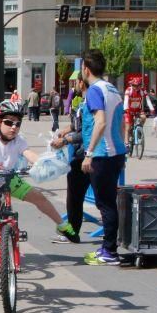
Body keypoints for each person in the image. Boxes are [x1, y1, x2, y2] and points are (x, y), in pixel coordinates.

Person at [0, 101, 79, 293]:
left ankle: (62, 226)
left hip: (6, 179)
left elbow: (29, 154)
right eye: (9, 123)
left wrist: (43, 163)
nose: (14, 127)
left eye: (18, 124)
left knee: (38, 197)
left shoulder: (18, 141)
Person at [79, 49, 127, 265]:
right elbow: (122, 123)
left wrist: (89, 153)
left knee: (105, 203)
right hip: (115, 152)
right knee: (108, 202)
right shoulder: (112, 89)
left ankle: (109, 251)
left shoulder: (94, 91)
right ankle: (109, 248)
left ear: (85, 69)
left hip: (103, 154)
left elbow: (101, 121)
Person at [50, 72, 90, 242]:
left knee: (75, 195)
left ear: (82, 82)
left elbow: (87, 132)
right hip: (85, 155)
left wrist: (65, 140)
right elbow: (77, 125)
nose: (74, 84)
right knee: (80, 196)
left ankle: (73, 231)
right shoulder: (84, 101)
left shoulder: (91, 102)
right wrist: (64, 131)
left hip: (86, 156)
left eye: (76, 81)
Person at [122, 81, 148, 147]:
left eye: (138, 85)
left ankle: (140, 129)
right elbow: (126, 100)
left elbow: (147, 100)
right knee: (127, 128)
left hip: (137, 110)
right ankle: (126, 144)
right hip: (129, 110)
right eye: (134, 85)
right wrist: (125, 109)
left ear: (140, 85)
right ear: (132, 85)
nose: (136, 87)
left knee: (144, 117)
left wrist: (151, 109)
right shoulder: (128, 90)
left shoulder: (142, 91)